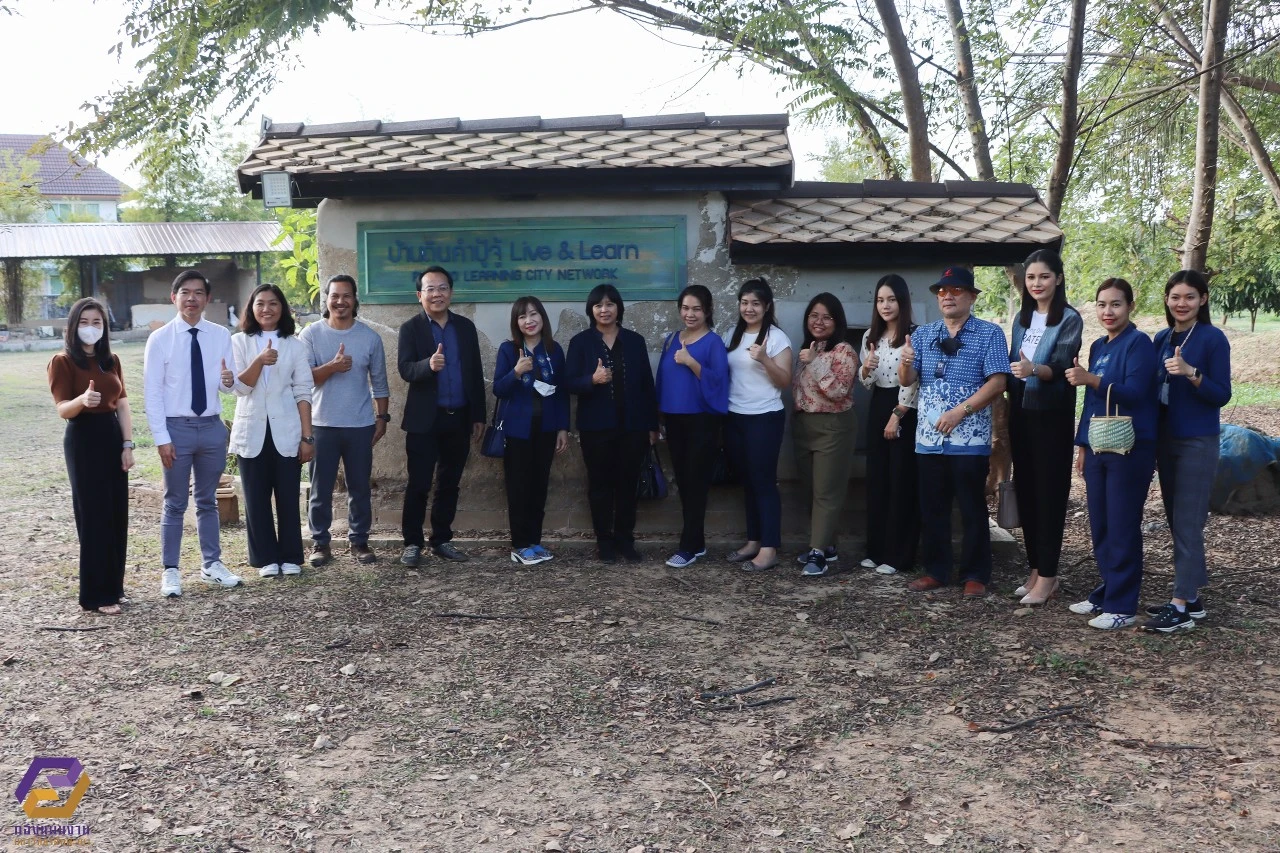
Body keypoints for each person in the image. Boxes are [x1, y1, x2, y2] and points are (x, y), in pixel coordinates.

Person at [898, 265, 1009, 598]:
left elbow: (999, 382)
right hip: (929, 439)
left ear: (972, 297)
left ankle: (975, 574)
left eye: (956, 290)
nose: (947, 296)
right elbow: (907, 381)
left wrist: (962, 410)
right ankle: (937, 570)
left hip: (970, 438)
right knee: (933, 507)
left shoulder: (989, 334)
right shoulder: (922, 334)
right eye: (942, 291)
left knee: (972, 507)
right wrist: (905, 361)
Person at [1141, 269, 1232, 632]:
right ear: (1166, 300)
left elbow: (1221, 394)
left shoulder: (1212, 338)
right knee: (1177, 520)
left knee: (1189, 521)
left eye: (1189, 297)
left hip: (1197, 440)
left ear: (1202, 300)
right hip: (1167, 440)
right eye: (1176, 297)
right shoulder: (1161, 338)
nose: (1182, 303)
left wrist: (1192, 372)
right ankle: (1191, 599)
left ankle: (1179, 607)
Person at [1065, 278, 1158, 630]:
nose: (1108, 311)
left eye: (1116, 304)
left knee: (1122, 524)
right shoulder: (1098, 346)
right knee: (1101, 522)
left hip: (1131, 446)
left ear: (1130, 306)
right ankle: (1108, 591)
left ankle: (1123, 605)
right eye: (1102, 304)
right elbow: (1091, 403)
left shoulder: (1140, 344)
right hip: (1099, 444)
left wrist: (1091, 379)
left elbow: (1135, 393)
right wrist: (1083, 445)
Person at [143, 269, 239, 597]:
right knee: (174, 501)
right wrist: (161, 438)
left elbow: (231, 384)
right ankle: (170, 570)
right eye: (185, 292)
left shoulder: (220, 335)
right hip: (177, 428)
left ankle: (212, 564)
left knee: (207, 500)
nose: (192, 298)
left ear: (207, 299)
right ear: (174, 298)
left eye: (199, 292)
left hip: (212, 427)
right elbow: (152, 393)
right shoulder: (160, 339)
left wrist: (229, 382)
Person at [1006, 249, 1084, 605]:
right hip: (1021, 413)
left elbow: (1060, 366)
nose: (1036, 284)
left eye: (1044, 277)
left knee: (1049, 494)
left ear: (1059, 279)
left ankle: (1049, 575)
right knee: (1027, 491)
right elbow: (1012, 362)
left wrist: (1033, 370)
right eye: (1031, 278)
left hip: (1051, 416)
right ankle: (1036, 568)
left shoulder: (1069, 318)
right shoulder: (1021, 319)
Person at [48, 297, 134, 614]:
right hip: (83, 439)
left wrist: (128, 444)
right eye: (84, 322)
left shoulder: (110, 360)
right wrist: (82, 399)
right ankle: (96, 594)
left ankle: (115, 586)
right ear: (73, 326)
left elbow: (122, 403)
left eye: (97, 322)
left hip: (112, 437)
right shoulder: (62, 362)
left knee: (116, 514)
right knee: (95, 515)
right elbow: (62, 409)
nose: (90, 328)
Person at [397, 266, 487, 565]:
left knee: (450, 482)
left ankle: (442, 539)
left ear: (451, 291)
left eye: (443, 287)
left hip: (458, 417)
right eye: (430, 289)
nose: (437, 294)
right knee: (419, 483)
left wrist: (478, 415)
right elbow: (405, 369)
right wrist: (428, 366)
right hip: (425, 420)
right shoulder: (411, 328)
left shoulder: (464, 327)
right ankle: (412, 543)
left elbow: (474, 372)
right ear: (419, 295)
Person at [299, 274, 390, 567]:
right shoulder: (311, 335)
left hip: (360, 424)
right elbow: (303, 380)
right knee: (320, 488)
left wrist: (382, 417)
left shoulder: (369, 338)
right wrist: (332, 367)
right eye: (335, 296)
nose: (340, 302)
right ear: (326, 299)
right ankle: (320, 543)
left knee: (359, 487)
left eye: (346, 296)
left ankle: (359, 541)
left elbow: (380, 382)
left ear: (355, 300)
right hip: (322, 424)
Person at [565, 284, 659, 563]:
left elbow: (646, 386)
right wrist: (591, 380)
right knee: (600, 485)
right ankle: (604, 542)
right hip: (596, 428)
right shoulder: (581, 342)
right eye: (598, 305)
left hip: (633, 427)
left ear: (618, 308)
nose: (604, 310)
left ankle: (625, 540)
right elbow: (568, 382)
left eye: (609, 304)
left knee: (628, 485)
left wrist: (653, 425)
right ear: (591, 310)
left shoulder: (635, 340)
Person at [229, 284, 314, 579]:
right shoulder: (239, 341)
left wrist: (307, 436)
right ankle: (265, 557)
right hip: (251, 428)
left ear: (283, 308)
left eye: (273, 303)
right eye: (260, 303)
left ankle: (290, 555)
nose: (267, 309)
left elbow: (303, 391)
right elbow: (239, 388)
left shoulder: (294, 344)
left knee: (288, 496)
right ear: (251, 308)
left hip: (287, 429)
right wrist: (259, 361)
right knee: (256, 496)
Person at [655, 285, 729, 569]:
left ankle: (687, 546)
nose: (690, 314)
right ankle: (696, 544)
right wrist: (659, 417)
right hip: (674, 421)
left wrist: (691, 362)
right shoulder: (672, 338)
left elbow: (719, 382)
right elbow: (663, 378)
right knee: (684, 482)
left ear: (707, 311)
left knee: (697, 483)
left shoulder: (713, 343)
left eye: (696, 309)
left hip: (702, 421)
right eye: (685, 308)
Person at [493, 296, 570, 565]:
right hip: (517, 430)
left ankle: (535, 542)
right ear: (517, 322)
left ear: (542, 318)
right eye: (523, 316)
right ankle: (520, 544)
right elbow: (498, 390)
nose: (529, 320)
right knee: (518, 486)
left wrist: (563, 427)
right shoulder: (509, 349)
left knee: (539, 486)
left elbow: (561, 392)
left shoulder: (554, 349)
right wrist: (515, 372)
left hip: (546, 428)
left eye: (534, 314)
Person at [723, 278, 793, 573]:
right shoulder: (732, 334)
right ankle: (753, 541)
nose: (749, 308)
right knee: (748, 481)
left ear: (766, 307)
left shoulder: (777, 338)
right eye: (744, 302)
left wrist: (764, 358)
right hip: (734, 415)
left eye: (755, 303)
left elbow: (784, 381)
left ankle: (769, 548)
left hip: (764, 417)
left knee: (764, 482)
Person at [792, 292, 858, 578]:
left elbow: (838, 391)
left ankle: (817, 553)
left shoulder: (844, 351)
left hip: (833, 426)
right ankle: (828, 545)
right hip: (803, 425)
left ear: (837, 321)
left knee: (826, 492)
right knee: (809, 489)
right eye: (814, 315)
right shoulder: (809, 347)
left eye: (826, 317)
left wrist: (816, 362)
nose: (819, 322)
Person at [858, 274, 919, 576]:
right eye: (881, 300)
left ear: (903, 301)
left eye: (892, 299)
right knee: (878, 479)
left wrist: (897, 415)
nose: (885, 305)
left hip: (904, 408)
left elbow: (915, 382)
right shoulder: (871, 336)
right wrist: (865, 369)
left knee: (900, 482)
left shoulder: (915, 335)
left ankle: (899, 556)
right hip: (877, 404)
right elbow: (867, 383)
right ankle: (876, 549)